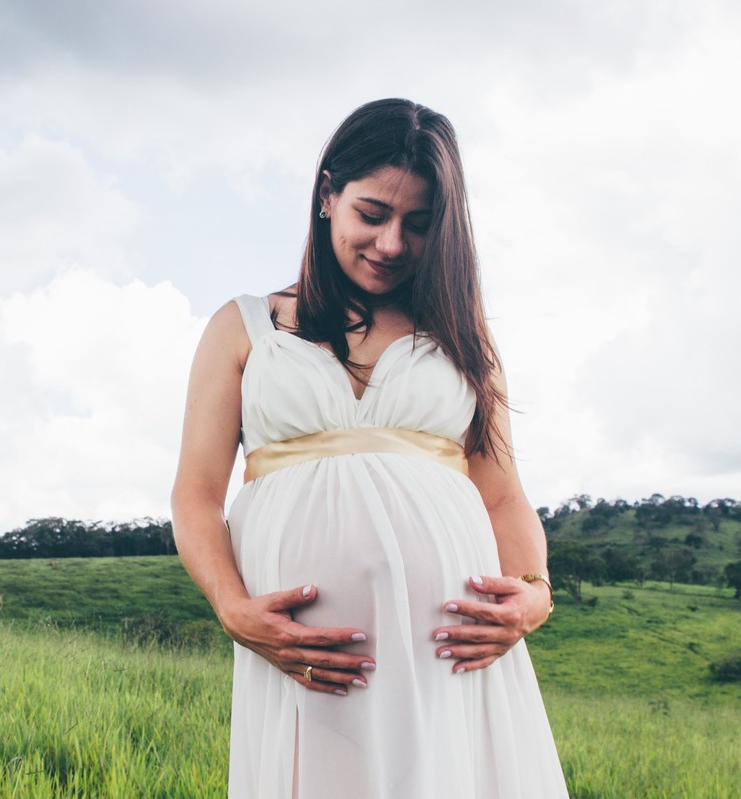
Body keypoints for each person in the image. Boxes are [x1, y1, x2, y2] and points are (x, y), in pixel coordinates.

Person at [170, 99, 568, 798]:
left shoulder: (464, 339)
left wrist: (535, 595)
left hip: (451, 656)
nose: (391, 244)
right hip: (311, 659)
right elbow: (196, 495)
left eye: (419, 224)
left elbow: (502, 493)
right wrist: (232, 608)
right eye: (372, 214)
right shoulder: (244, 327)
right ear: (327, 195)